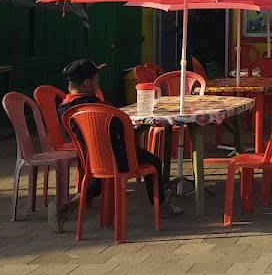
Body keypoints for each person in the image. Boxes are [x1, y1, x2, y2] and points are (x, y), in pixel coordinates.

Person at [48, 59, 179, 232]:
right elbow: (123, 125)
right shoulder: (100, 106)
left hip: (89, 160)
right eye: (96, 81)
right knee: (153, 162)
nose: (97, 85)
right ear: (87, 83)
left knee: (99, 181)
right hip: (119, 158)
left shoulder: (64, 109)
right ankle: (161, 207)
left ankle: (73, 203)